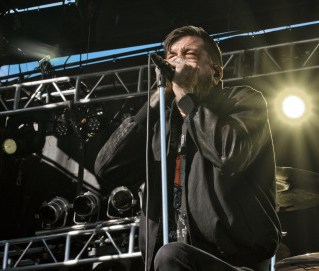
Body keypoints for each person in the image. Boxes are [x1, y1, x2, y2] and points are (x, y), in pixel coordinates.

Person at [94, 25, 281, 271]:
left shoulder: (242, 100)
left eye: (189, 54)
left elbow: (229, 153)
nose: (177, 61)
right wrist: (155, 101)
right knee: (169, 256)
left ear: (216, 73)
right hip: (171, 261)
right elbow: (107, 167)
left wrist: (184, 96)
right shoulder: (162, 124)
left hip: (235, 262)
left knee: (171, 255)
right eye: (171, 56)